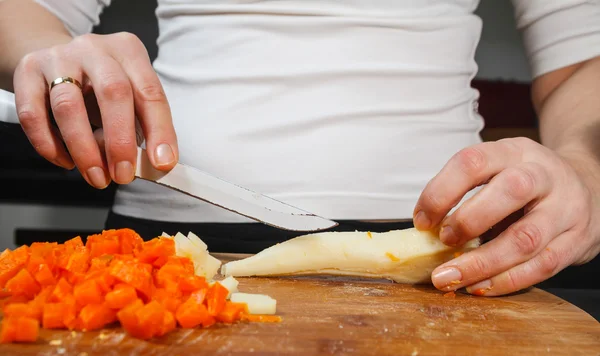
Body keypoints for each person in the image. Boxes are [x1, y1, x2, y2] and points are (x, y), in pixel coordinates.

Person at [0, 0, 599, 297]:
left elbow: (582, 64)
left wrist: (583, 168)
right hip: (167, 251)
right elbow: (24, 13)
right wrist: (52, 56)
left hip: (441, 256)